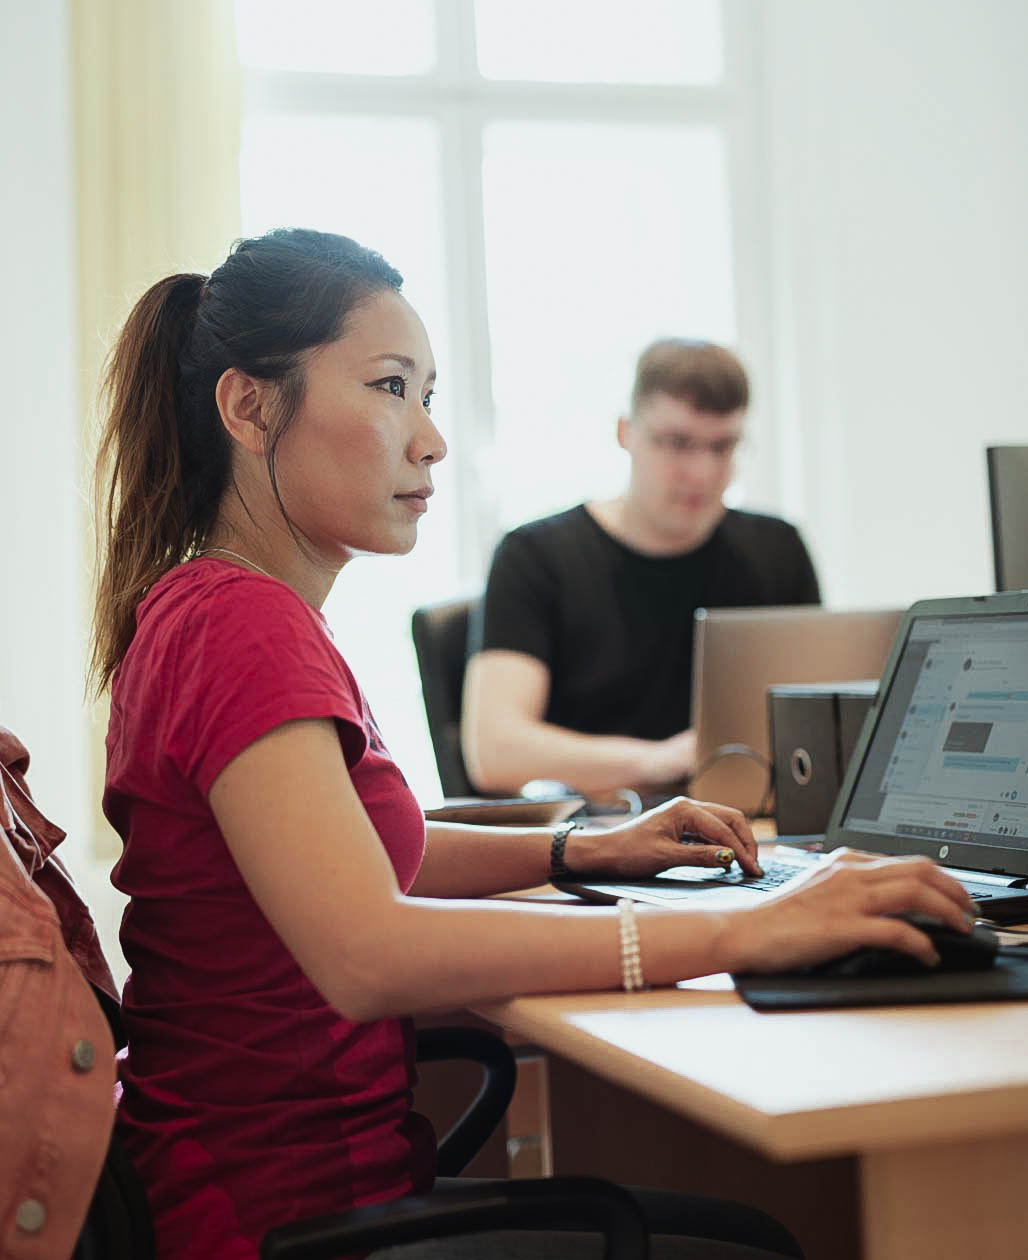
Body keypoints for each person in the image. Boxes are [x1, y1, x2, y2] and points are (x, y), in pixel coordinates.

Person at [91, 228, 974, 1260]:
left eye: (427, 394)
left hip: (284, 1197)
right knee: (764, 1243)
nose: (429, 440)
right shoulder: (240, 625)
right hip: (283, 1223)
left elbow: (359, 856)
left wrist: (579, 851)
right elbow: (365, 951)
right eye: (389, 388)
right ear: (247, 407)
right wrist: (744, 931)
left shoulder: (217, 609)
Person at [462, 339, 820, 799]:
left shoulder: (777, 548)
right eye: (677, 444)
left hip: (747, 829)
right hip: (597, 838)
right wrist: (660, 761)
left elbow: (818, 731)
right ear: (625, 432)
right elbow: (493, 752)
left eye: (722, 447)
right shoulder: (535, 555)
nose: (702, 473)